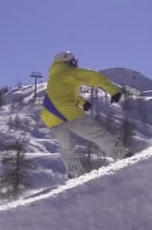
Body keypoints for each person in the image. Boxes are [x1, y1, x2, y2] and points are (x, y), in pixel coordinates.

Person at [41, 51, 131, 179]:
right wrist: (113, 89)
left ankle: (74, 172)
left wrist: (82, 102)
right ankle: (121, 154)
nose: (75, 64)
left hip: (49, 115)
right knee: (95, 133)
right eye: (73, 62)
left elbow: (61, 95)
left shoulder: (54, 76)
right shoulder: (69, 72)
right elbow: (93, 76)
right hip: (65, 111)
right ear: (67, 62)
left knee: (66, 147)